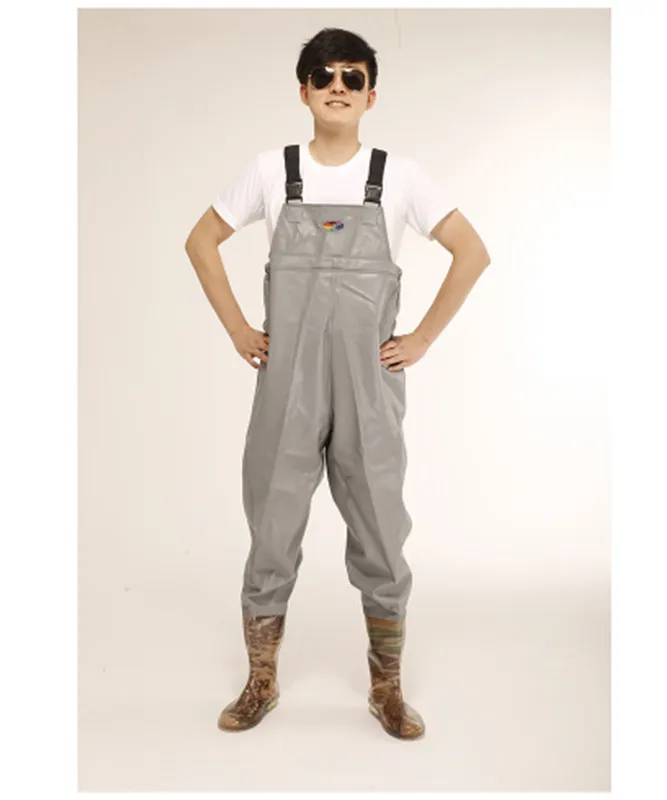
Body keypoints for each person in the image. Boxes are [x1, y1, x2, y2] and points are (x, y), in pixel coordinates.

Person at [185, 27, 490, 741]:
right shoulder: (272, 171)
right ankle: (261, 681)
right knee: (271, 528)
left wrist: (421, 339)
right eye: (323, 76)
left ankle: (387, 688)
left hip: (368, 387)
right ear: (304, 91)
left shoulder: (399, 177)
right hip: (286, 384)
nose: (338, 87)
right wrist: (238, 329)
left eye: (353, 77)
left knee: (381, 531)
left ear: (371, 95)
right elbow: (200, 240)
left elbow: (472, 252)